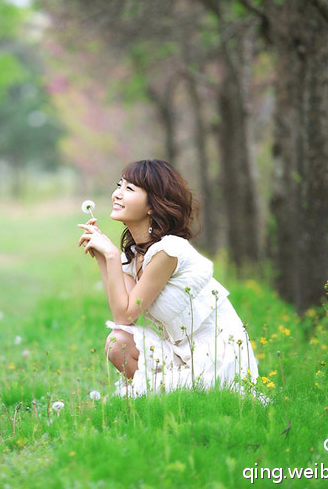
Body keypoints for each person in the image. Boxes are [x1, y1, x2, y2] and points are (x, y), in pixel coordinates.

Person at [77, 159, 267, 403]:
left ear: (152, 206)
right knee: (118, 342)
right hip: (179, 352)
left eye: (129, 189)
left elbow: (126, 315)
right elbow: (122, 315)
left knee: (139, 385)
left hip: (215, 358)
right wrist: (105, 259)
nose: (117, 194)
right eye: (119, 185)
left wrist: (112, 255)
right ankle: (161, 402)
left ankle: (169, 401)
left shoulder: (169, 249)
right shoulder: (135, 255)